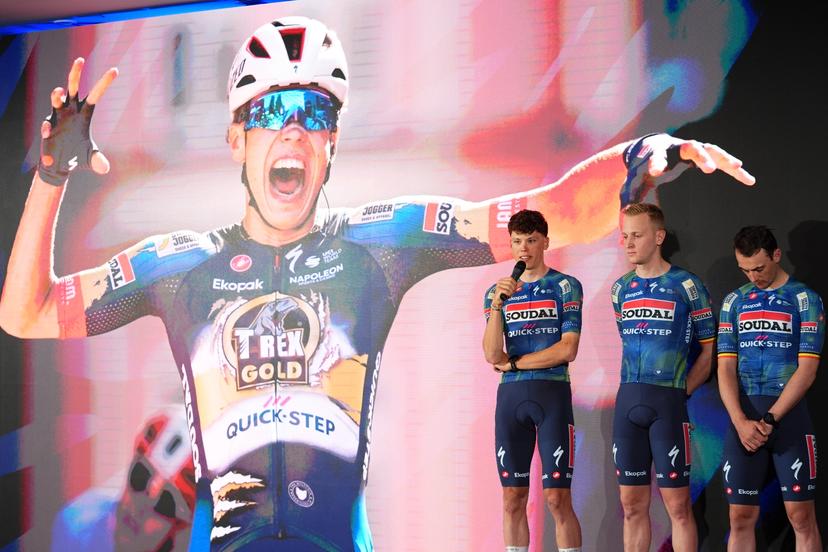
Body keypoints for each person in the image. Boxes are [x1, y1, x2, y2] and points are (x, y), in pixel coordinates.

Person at [0, 15, 755, 551]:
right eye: (269, 110)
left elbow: (548, 209)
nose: (291, 128)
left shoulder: (378, 244)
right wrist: (51, 175)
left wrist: (643, 158)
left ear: (332, 142)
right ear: (236, 135)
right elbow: (26, 311)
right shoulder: (181, 264)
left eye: (311, 111)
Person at [610, 203, 716, 552]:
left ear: (658, 236)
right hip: (628, 403)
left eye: (636, 235)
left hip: (668, 403)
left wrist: (682, 390)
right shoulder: (620, 288)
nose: (628, 243)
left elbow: (709, 347)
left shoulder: (686, 285)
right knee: (631, 506)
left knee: (678, 508)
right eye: (624, 235)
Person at [717, 226, 824, 551]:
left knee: (801, 517)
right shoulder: (734, 301)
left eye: (759, 268)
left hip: (788, 421)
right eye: (745, 269)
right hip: (743, 422)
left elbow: (807, 371)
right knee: (739, 518)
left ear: (776, 255)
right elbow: (725, 367)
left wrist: (770, 420)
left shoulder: (805, 299)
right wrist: (740, 421)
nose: (754, 276)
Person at [483, 209, 583, 552]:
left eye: (530, 241)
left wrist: (515, 365)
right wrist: (498, 306)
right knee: (512, 498)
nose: (523, 249)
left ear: (545, 242)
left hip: (552, 394)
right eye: (516, 242)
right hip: (511, 402)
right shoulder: (497, 293)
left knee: (557, 498)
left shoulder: (565, 286)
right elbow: (493, 355)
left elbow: (566, 350)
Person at [51, 406, 196, 552]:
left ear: (182, 525)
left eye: (166, 503)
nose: (141, 506)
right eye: (140, 476)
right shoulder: (76, 524)